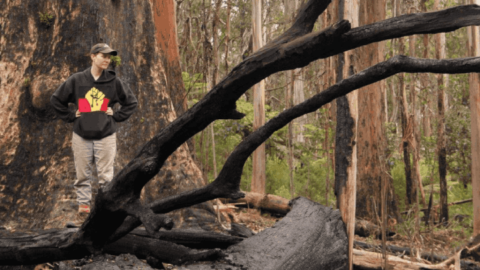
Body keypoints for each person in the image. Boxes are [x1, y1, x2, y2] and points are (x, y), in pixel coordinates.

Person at [50, 43, 138, 226]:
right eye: (103, 56)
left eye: (109, 57)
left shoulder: (114, 82)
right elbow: (56, 100)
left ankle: (105, 215)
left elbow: (131, 102)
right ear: (92, 56)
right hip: (81, 135)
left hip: (106, 135)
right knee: (82, 175)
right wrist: (70, 115)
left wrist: (117, 114)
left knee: (106, 177)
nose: (107, 59)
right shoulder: (77, 80)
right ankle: (83, 212)